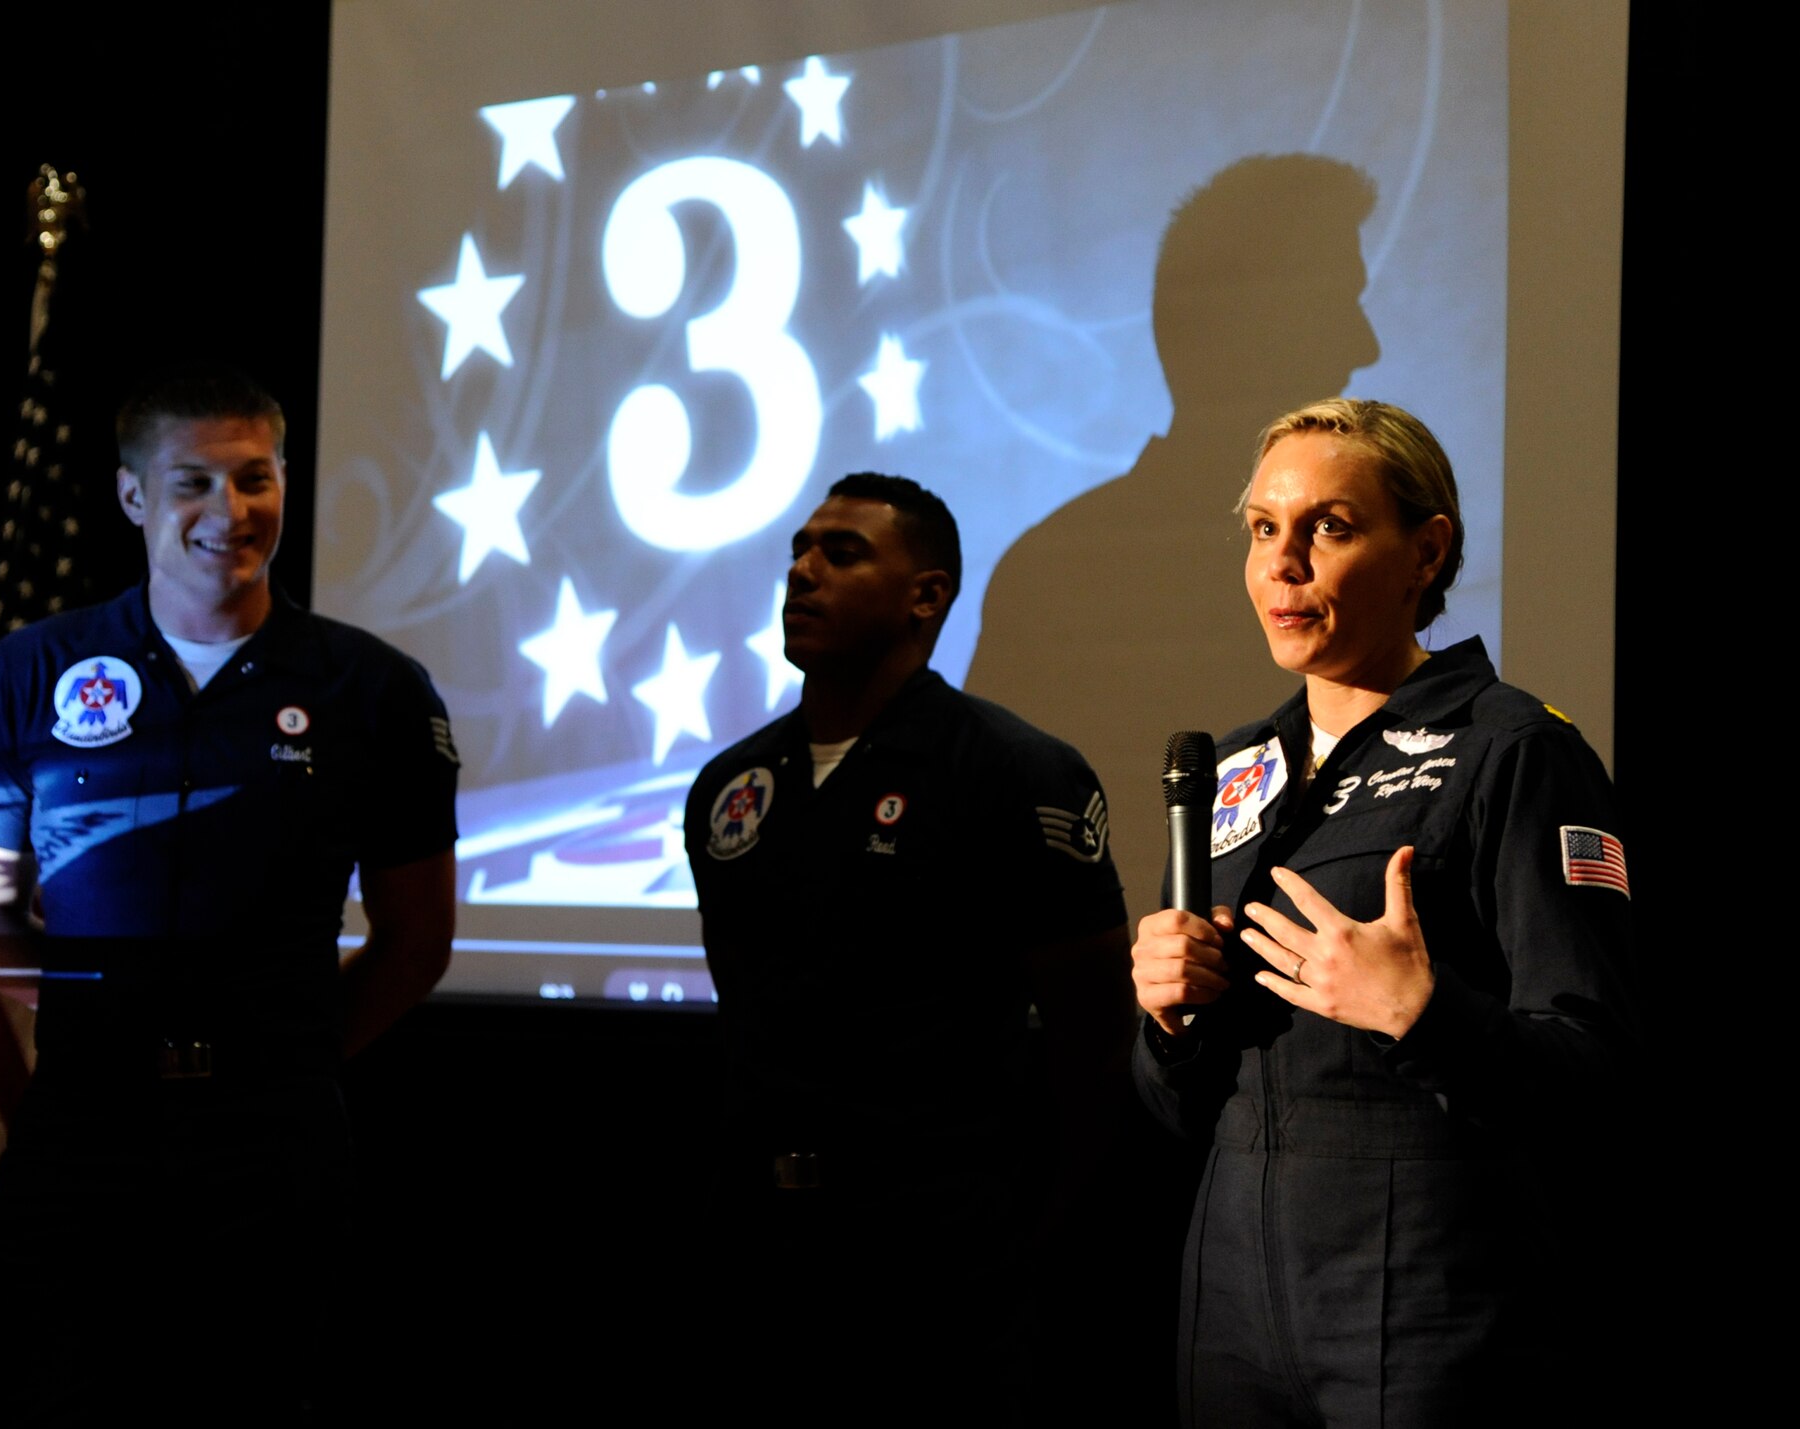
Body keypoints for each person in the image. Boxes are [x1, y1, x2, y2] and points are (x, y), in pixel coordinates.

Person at [0, 365, 460, 1416]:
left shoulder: (374, 689)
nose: (230, 512)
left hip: (273, 1144)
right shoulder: (28, 670)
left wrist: (282, 1052)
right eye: (194, 483)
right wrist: (109, 1026)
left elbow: (415, 942)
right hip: (82, 1131)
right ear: (134, 496)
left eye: (254, 480)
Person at [1130, 399, 1635, 1426]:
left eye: (1330, 527)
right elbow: (1175, 1109)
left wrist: (1421, 1010)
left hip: (1430, 1296)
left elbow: (1599, 1076)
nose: (1284, 564)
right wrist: (1165, 1020)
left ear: (1426, 551)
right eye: (1264, 528)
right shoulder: (1236, 772)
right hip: (1230, 1293)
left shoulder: (1514, 751)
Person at [685, 473, 1134, 1418]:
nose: (802, 572)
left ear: (926, 595)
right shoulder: (731, 786)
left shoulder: (1016, 772)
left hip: (941, 1265)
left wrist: (1033, 1242)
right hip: (758, 1254)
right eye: (799, 551)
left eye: (841, 553)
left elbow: (1092, 1043)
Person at [970, 155, 1382, 906]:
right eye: (1339, 303)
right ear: (1251, 331)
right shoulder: (1054, 574)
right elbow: (985, 850)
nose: (1366, 345)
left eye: (1327, 530)